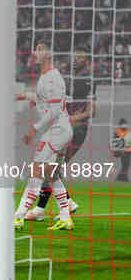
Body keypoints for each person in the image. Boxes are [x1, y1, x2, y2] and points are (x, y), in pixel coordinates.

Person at [26, 47, 95, 221]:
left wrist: (70, 119)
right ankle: (66, 203)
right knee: (51, 167)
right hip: (62, 127)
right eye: (75, 55)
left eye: (80, 56)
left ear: (86, 60)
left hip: (76, 129)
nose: (76, 59)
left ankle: (42, 209)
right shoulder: (64, 78)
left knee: (49, 167)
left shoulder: (88, 80)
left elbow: (92, 111)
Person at [14, 42, 74, 231]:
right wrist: (27, 96)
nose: (35, 53)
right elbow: (44, 100)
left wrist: (34, 128)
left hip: (57, 130)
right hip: (59, 130)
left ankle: (18, 216)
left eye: (40, 50)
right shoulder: (45, 77)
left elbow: (55, 109)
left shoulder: (53, 78)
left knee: (36, 171)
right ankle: (65, 217)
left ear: (48, 55)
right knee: (51, 174)